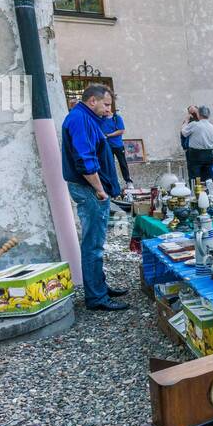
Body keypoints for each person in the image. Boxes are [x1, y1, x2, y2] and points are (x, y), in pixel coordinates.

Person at [61, 82, 129, 311]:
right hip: (89, 189)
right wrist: (100, 189)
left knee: (96, 242)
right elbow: (85, 160)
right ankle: (96, 297)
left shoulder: (86, 117)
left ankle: (99, 287)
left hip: (90, 189)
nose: (109, 110)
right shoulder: (80, 119)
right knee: (93, 245)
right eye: (106, 104)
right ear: (93, 101)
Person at [100, 91, 131, 186]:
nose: (107, 108)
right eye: (105, 106)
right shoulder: (101, 119)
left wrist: (108, 135)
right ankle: (114, 183)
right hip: (107, 146)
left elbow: (121, 130)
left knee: (123, 164)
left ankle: (128, 181)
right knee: (110, 164)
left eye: (109, 106)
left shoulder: (116, 118)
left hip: (118, 145)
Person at [181, 105, 213, 183]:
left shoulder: (194, 124)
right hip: (209, 153)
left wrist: (186, 121)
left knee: (194, 177)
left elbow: (184, 132)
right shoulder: (212, 127)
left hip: (195, 154)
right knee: (207, 177)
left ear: (198, 114)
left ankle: (195, 192)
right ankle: (208, 193)